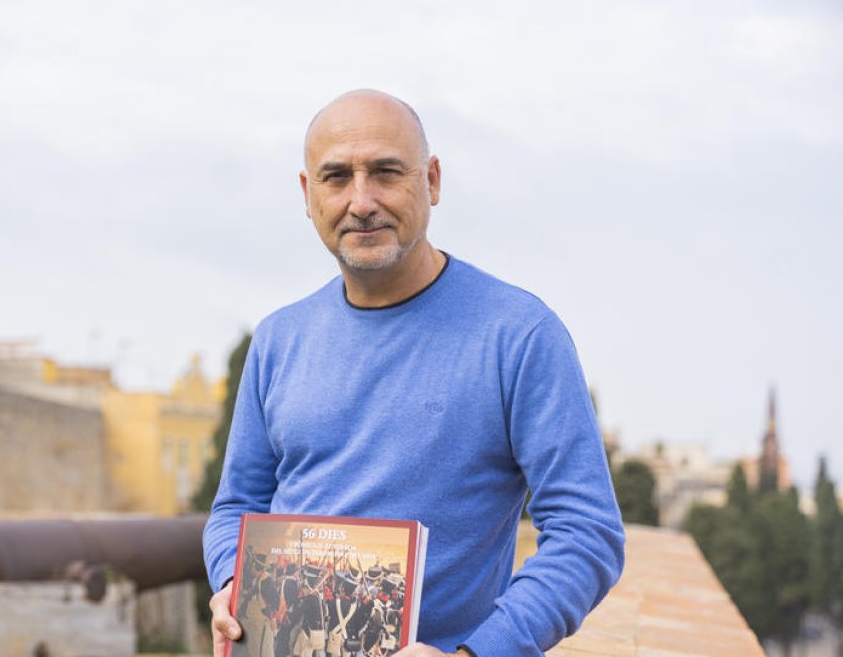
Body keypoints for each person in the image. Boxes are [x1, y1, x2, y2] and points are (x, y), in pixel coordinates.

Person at [202, 89, 626, 657]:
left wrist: (480, 653)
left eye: (385, 172)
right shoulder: (278, 339)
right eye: (336, 177)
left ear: (432, 181)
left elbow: (587, 532)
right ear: (308, 196)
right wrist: (235, 584)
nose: (361, 200)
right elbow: (237, 506)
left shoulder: (520, 335)